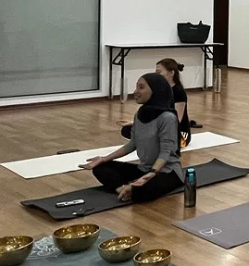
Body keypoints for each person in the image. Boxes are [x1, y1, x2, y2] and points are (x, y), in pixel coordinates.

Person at [82, 73, 183, 203]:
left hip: (166, 171)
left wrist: (152, 172)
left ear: (156, 90)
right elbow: (132, 144)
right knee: (100, 168)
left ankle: (131, 190)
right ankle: (122, 190)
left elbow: (166, 152)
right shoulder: (139, 114)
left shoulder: (167, 118)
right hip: (144, 169)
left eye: (141, 87)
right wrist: (103, 159)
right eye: (136, 87)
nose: (135, 92)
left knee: (144, 191)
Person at [120, 58, 191, 146]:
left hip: (180, 134)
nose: (156, 75)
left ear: (171, 73)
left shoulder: (178, 92)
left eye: (159, 72)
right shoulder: (159, 90)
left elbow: (177, 119)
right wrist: (134, 122)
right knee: (127, 130)